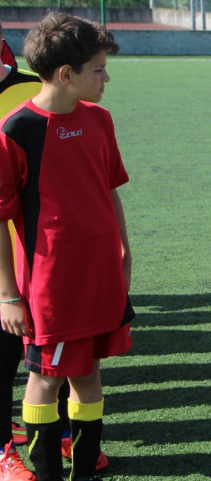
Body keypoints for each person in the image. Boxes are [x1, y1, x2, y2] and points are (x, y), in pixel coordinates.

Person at [0, 13, 132, 480]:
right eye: (98, 70)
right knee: (46, 377)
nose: (106, 78)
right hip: (52, 285)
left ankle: (85, 471)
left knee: (89, 373)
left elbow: (110, 188)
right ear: (66, 75)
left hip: (100, 276)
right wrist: (8, 295)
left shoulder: (100, 119)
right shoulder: (17, 130)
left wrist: (124, 251)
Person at [0, 60, 41, 480]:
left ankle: (54, 430)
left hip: (33, 252)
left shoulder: (34, 88)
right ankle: (2, 451)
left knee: (42, 346)